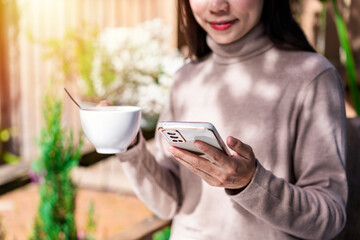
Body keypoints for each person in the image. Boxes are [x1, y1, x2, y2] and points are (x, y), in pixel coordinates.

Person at [112, 0, 348, 239]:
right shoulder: (185, 79)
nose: (216, 6)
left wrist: (251, 183)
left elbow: (329, 218)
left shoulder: (312, 76)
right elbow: (168, 204)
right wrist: (129, 147)